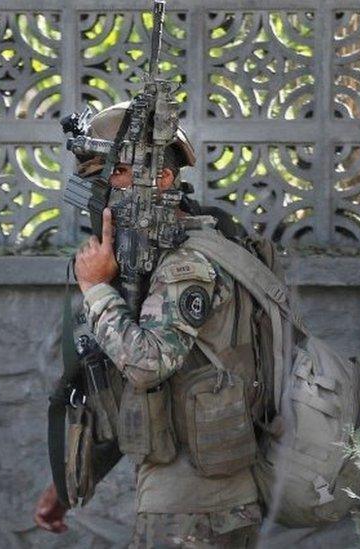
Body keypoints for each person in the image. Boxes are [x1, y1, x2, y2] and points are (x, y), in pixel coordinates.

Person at [35, 103, 264, 548]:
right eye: (97, 177)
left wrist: (96, 288)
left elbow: (146, 365)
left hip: (194, 506)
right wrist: (67, 486)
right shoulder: (151, 261)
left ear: (161, 178)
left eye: (114, 174)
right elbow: (130, 393)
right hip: (192, 498)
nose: (100, 190)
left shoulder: (187, 263)